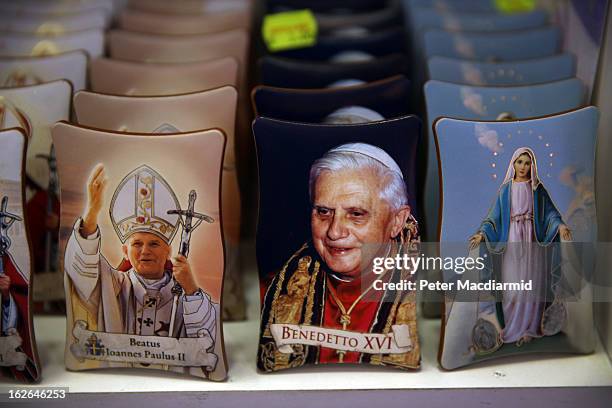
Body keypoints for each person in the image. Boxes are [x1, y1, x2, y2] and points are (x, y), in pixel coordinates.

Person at [258, 143, 420, 371]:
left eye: (356, 214)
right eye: (323, 212)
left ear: (396, 221)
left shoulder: (427, 296)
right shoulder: (273, 290)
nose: (334, 231)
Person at [64, 164, 218, 365]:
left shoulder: (185, 295)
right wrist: (92, 213)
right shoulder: (113, 286)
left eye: (154, 244)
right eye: (137, 244)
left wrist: (190, 290)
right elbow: (84, 267)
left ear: (168, 252)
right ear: (125, 252)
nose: (145, 251)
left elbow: (207, 333)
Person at [469, 147, 571, 346]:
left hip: (533, 243)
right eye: (519, 162)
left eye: (527, 162)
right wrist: (482, 233)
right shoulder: (506, 190)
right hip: (512, 241)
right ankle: (512, 329)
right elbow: (493, 218)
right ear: (513, 164)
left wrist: (560, 226)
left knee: (533, 287)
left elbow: (551, 214)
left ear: (532, 165)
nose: (523, 166)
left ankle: (530, 329)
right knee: (512, 287)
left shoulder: (537, 189)